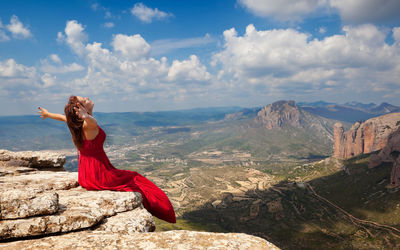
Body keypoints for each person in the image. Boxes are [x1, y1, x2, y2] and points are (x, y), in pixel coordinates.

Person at [38, 96, 176, 223]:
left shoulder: (76, 125)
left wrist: (48, 114)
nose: (87, 98)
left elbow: (63, 118)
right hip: (100, 174)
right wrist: (87, 116)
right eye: (84, 100)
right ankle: (164, 211)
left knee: (132, 178)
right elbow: (92, 121)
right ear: (81, 110)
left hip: (86, 175)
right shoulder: (89, 125)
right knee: (136, 179)